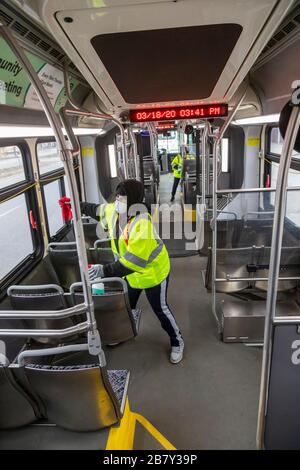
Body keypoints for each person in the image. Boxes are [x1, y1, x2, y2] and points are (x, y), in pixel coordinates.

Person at [80, 179, 184, 364]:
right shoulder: (116, 211)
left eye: (122, 197)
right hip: (130, 274)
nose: (118, 200)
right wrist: (76, 205)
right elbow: (97, 210)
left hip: (153, 273)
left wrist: (103, 271)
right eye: (117, 196)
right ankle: (124, 333)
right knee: (127, 307)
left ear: (134, 200)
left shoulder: (142, 223)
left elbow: (133, 262)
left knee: (160, 310)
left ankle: (177, 341)